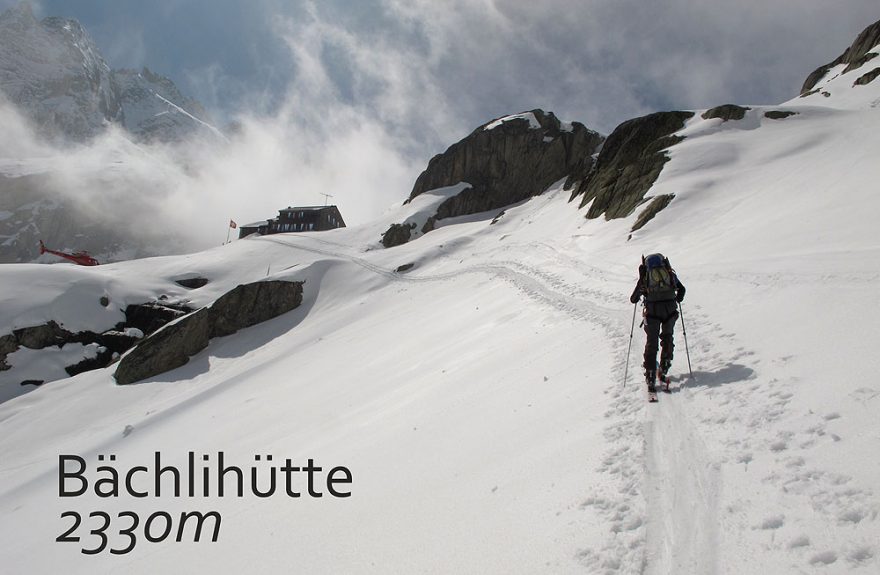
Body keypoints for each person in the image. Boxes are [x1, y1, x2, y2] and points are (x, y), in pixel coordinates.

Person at [629, 253, 686, 392]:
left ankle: (650, 374)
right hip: (670, 310)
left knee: (651, 342)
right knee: (667, 337)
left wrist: (642, 282)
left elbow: (633, 299)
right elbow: (682, 290)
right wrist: (676, 298)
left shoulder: (646, 277)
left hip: (653, 312)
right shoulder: (669, 274)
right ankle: (665, 365)